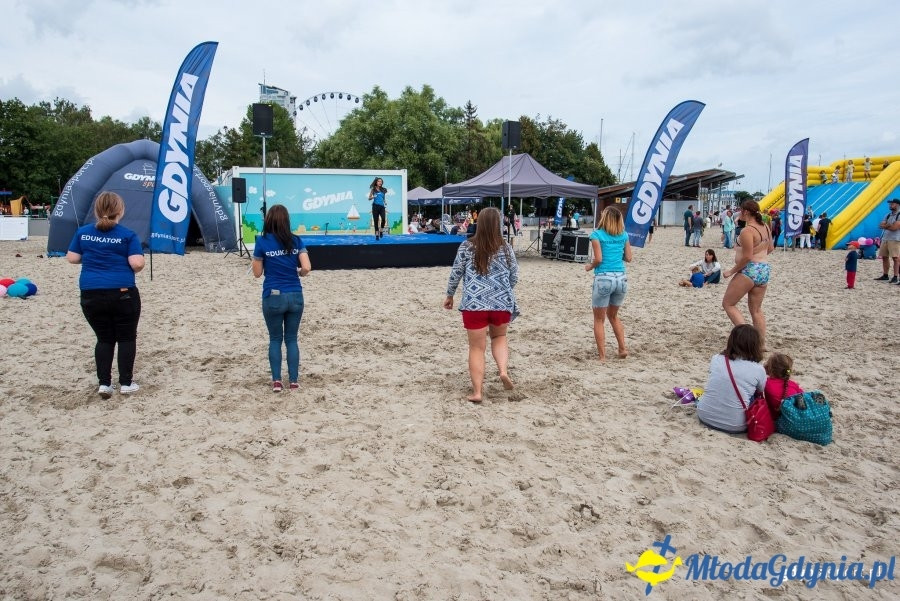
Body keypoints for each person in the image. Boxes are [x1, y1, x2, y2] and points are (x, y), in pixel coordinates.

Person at [66, 191, 144, 398]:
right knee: (127, 337)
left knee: (104, 338)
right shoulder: (127, 235)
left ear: (96, 210)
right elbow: (136, 263)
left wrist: (94, 257)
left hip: (91, 292)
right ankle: (126, 383)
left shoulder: (83, 232)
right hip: (122, 291)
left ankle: (104, 384)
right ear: (120, 211)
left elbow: (72, 258)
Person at [444, 207, 518, 403]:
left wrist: (450, 295)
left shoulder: (466, 247)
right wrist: (501, 291)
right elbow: (514, 277)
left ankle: (477, 392)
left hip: (474, 304)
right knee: (500, 337)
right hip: (501, 303)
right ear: (498, 224)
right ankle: (502, 371)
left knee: (477, 348)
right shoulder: (506, 248)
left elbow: (456, 273)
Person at [252, 204, 312, 393]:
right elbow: (307, 268)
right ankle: (293, 381)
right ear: (287, 221)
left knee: (275, 339)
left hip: (273, 296)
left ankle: (277, 381)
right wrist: (300, 273)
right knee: (292, 339)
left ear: (268, 220)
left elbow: (257, 273)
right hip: (295, 294)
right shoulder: (295, 241)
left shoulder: (262, 242)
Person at [722, 200, 775, 348]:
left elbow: (747, 257)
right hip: (764, 269)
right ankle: (761, 344)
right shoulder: (765, 226)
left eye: (740, 210)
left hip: (750, 270)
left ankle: (748, 338)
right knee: (756, 310)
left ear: (746, 212)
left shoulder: (748, 231)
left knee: (728, 304)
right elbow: (770, 248)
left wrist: (731, 271)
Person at [696, 324, 767, 434]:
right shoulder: (758, 369)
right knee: (752, 392)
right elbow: (761, 391)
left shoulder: (716, 359)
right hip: (736, 425)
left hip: (704, 415)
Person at [584, 206, 633, 361]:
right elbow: (629, 258)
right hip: (621, 278)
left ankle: (602, 357)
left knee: (599, 319)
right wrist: (617, 252)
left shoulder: (596, 235)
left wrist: (589, 266)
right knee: (613, 316)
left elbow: (598, 259)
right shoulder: (623, 235)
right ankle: (622, 348)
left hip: (604, 278)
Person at [763, 352, 803, 420]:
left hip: (776, 421)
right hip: (795, 419)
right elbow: (802, 397)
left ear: (769, 368)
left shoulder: (767, 384)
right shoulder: (793, 385)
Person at [874, 198, 900, 283]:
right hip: (885, 238)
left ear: (897, 204)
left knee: (895, 258)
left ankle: (895, 276)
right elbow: (881, 225)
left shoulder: (899, 215)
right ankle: (885, 275)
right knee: (884, 257)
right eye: (890, 204)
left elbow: (894, 228)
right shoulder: (888, 215)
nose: (890, 205)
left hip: (895, 239)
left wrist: (887, 225)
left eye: (892, 204)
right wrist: (889, 225)